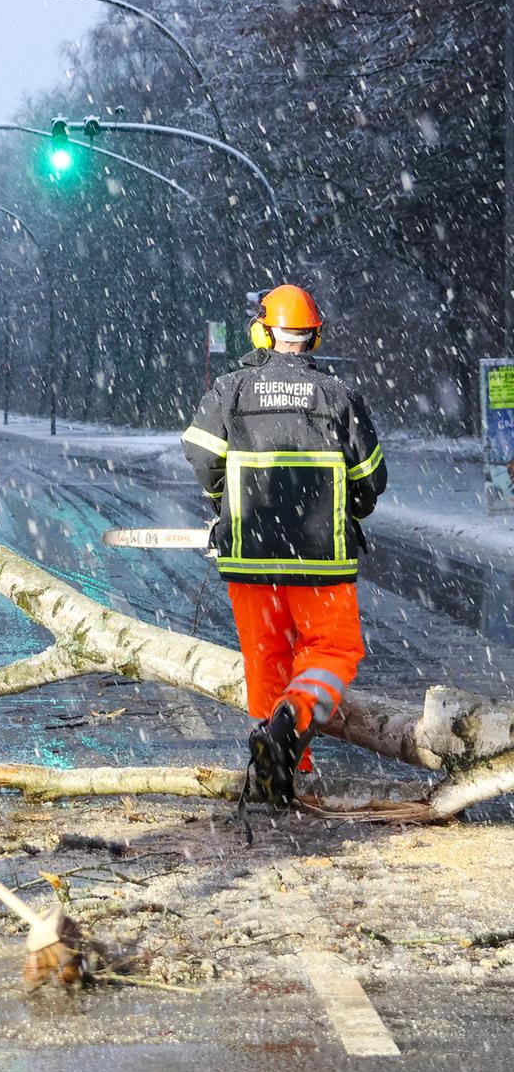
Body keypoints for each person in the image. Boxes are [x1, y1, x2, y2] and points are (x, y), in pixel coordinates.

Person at [182, 284, 387, 806]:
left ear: (262, 331)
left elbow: (201, 456)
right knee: (333, 650)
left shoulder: (230, 390)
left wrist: (219, 499)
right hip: (321, 561)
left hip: (249, 557)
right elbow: (370, 478)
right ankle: (293, 724)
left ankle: (279, 770)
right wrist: (351, 509)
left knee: (265, 657)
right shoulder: (339, 396)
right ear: (314, 337)